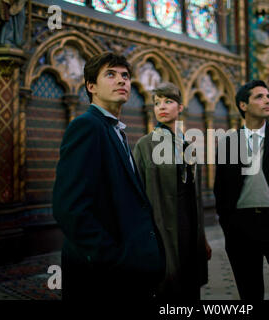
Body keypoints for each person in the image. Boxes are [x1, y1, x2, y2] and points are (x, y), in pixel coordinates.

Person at [52, 52, 165, 301]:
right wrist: (114, 260)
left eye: (125, 76)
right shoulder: (87, 126)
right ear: (91, 86)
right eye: (110, 75)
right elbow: (69, 208)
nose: (122, 81)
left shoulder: (114, 131)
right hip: (103, 277)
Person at [214, 80, 269, 300]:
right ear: (243, 105)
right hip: (241, 227)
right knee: (249, 292)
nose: (267, 100)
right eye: (259, 97)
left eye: (268, 96)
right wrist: (228, 224)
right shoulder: (228, 143)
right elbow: (220, 188)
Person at [133, 82, 211, 301]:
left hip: (189, 226)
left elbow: (196, 197)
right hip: (162, 227)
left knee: (190, 285)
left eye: (168, 101)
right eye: (157, 103)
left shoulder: (189, 147)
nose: (162, 107)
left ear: (180, 108)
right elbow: (136, 195)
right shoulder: (145, 145)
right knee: (168, 287)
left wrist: (202, 238)